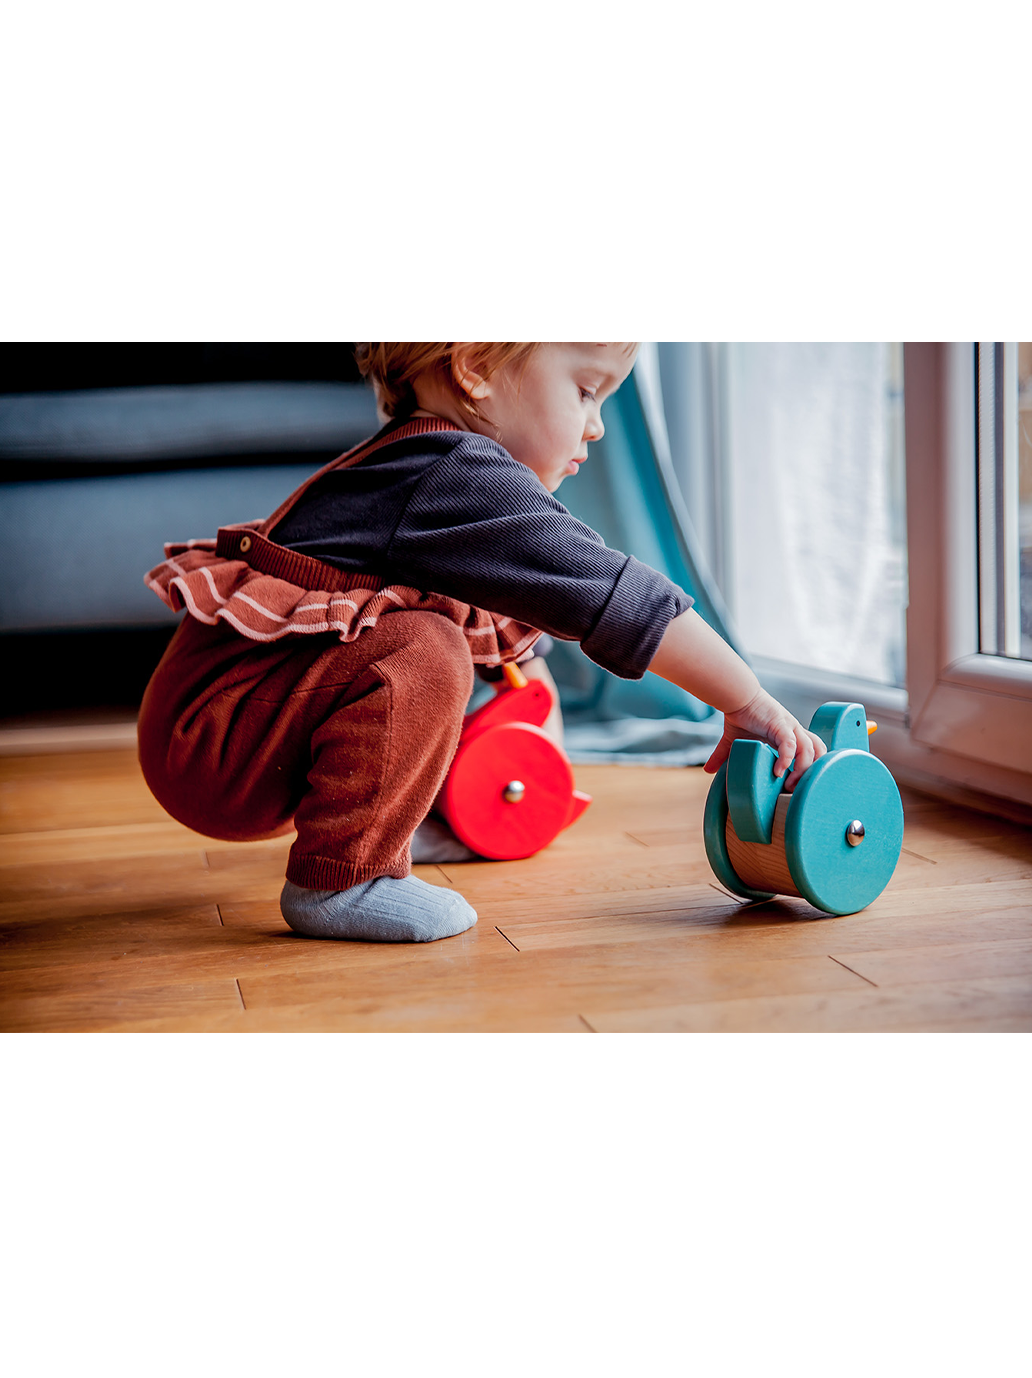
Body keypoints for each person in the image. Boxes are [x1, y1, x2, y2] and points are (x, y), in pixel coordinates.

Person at [138, 342, 826, 944]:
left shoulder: (418, 463)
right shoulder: (450, 475)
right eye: (585, 391)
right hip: (215, 740)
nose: (596, 427)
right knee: (422, 649)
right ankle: (343, 879)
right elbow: (614, 594)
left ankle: (412, 823)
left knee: (472, 648)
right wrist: (747, 700)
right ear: (474, 371)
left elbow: (518, 634)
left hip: (225, 724)